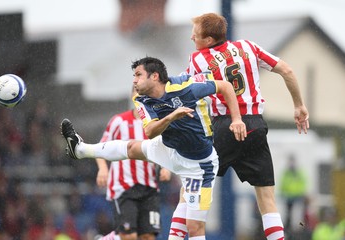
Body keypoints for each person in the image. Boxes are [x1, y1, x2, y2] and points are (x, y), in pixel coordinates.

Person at [61, 56, 247, 240]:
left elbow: (225, 86)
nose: (134, 80)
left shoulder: (184, 86)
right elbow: (150, 132)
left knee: (194, 227)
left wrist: (237, 119)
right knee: (133, 147)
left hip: (199, 166)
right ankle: (80, 149)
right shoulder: (142, 100)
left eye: (139, 75)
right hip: (168, 149)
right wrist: (171, 117)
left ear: (155, 76)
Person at [168, 13, 310, 240]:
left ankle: (175, 237)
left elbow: (180, 87)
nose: (191, 37)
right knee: (266, 199)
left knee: (190, 183)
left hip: (224, 127)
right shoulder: (248, 47)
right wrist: (299, 105)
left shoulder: (198, 59)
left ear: (209, 39)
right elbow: (287, 70)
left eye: (196, 33)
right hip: (255, 126)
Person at [94, 86, 172, 240]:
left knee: (148, 237)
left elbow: (164, 148)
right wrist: (103, 169)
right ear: (132, 96)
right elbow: (100, 147)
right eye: (138, 93)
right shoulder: (120, 121)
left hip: (149, 188)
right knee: (129, 236)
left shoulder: (156, 124)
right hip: (124, 187)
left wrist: (166, 168)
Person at [279, 155, 308, 230]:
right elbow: (283, 184)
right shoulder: (286, 173)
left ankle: (299, 229)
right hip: (288, 198)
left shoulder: (298, 172)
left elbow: (303, 183)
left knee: (297, 216)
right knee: (288, 215)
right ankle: (289, 229)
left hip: (297, 198)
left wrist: (301, 193)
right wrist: (283, 193)